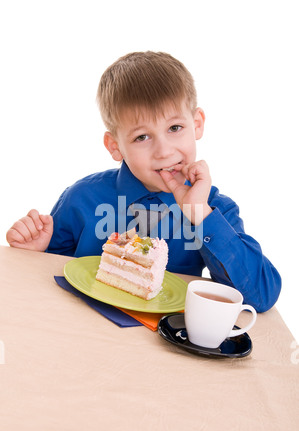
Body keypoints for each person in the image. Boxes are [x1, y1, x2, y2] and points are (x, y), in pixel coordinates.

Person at [6, 51, 281, 312]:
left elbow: (261, 296)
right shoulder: (81, 199)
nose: (164, 151)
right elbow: (49, 285)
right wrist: (34, 256)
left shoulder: (213, 209)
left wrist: (200, 213)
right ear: (115, 146)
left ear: (197, 124)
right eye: (142, 137)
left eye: (175, 128)